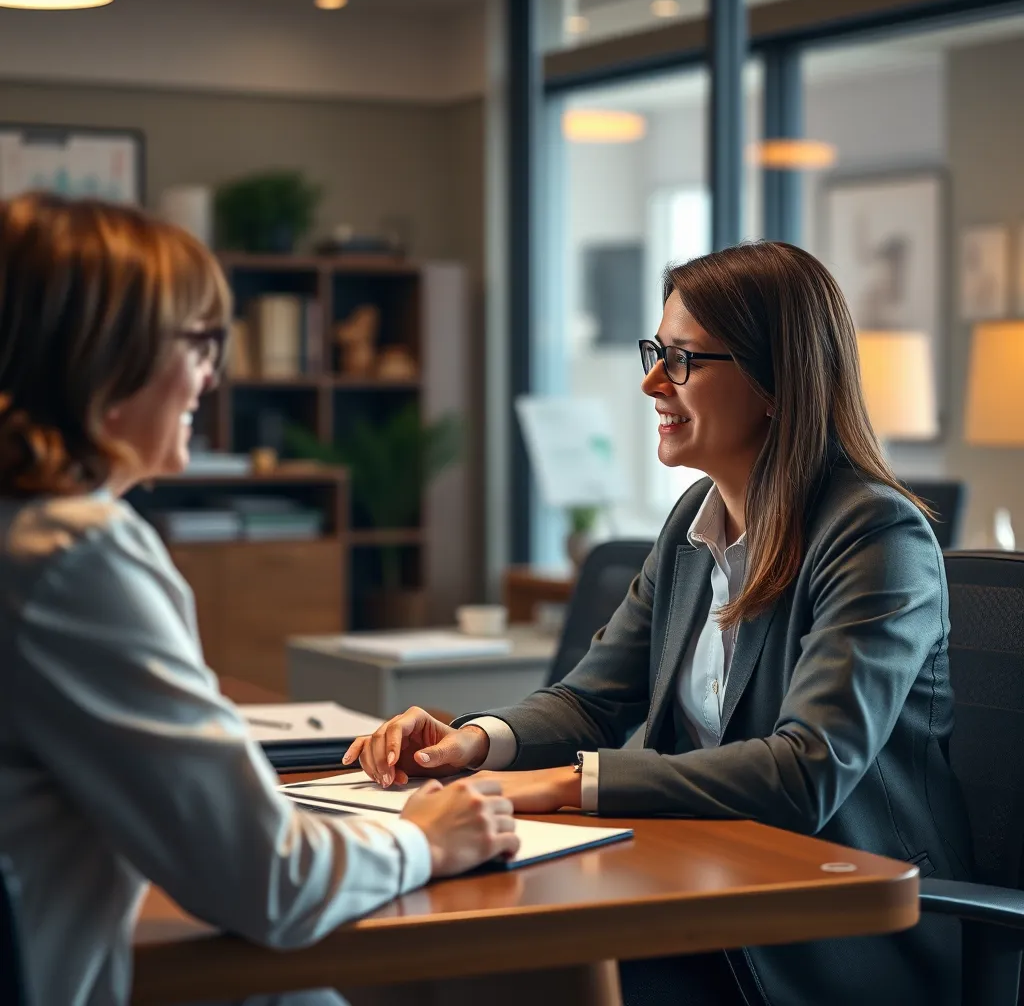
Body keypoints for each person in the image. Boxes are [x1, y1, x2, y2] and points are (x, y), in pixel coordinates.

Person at [345, 241, 974, 1006]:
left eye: (680, 360)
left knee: (513, 972)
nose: (651, 383)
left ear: (775, 380)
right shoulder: (692, 526)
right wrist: (472, 744)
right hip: (701, 880)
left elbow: (806, 769)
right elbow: (593, 698)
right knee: (449, 954)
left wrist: (566, 785)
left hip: (830, 929)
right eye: (656, 352)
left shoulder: (876, 537)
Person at [0, 193, 520, 1006]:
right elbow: (266, 879)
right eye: (200, 342)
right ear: (108, 354)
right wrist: (424, 841)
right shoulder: (72, 554)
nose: (214, 373)